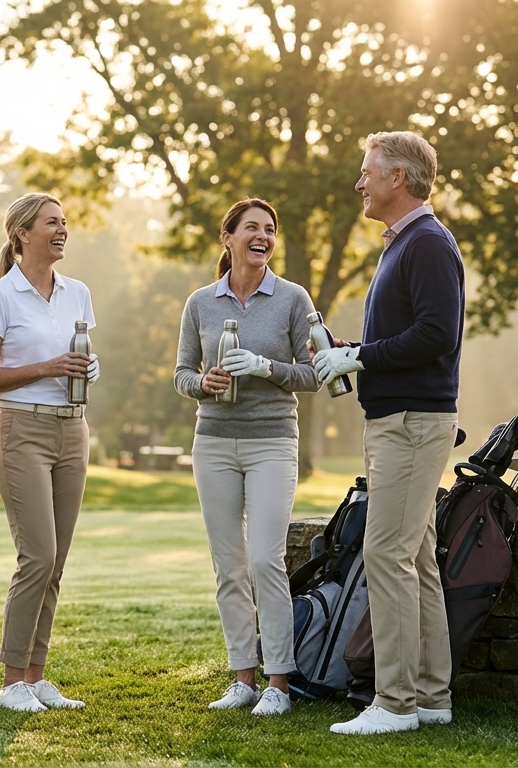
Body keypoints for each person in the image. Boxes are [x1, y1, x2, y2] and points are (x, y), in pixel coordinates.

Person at [313, 131, 465, 735]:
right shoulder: (407, 243)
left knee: (388, 554)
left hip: (411, 423)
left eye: (367, 172)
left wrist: (362, 359)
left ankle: (394, 703)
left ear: (397, 178)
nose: (360, 183)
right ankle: (431, 696)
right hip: (401, 418)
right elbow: (410, 335)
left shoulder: (427, 243)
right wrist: (351, 351)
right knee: (417, 557)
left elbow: (436, 337)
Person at [173, 198, 319, 717]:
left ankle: (278, 680)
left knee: (264, 559)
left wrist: (265, 367)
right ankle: (243, 678)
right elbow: (181, 374)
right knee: (229, 565)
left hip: (272, 441)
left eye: (270, 229)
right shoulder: (200, 303)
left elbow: (315, 374)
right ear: (228, 238)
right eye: (251, 228)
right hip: (213, 441)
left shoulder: (292, 299)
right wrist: (203, 385)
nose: (262, 236)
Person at [0, 193, 99, 713]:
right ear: (23, 233)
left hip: (74, 430)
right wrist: (48, 368)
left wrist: (88, 369)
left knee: (57, 563)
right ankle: (11, 682)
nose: (62, 230)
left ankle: (36, 676)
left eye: (65, 222)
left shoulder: (78, 293)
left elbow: (84, 357)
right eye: (52, 223)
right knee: (37, 556)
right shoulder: (0, 295)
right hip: (21, 429)